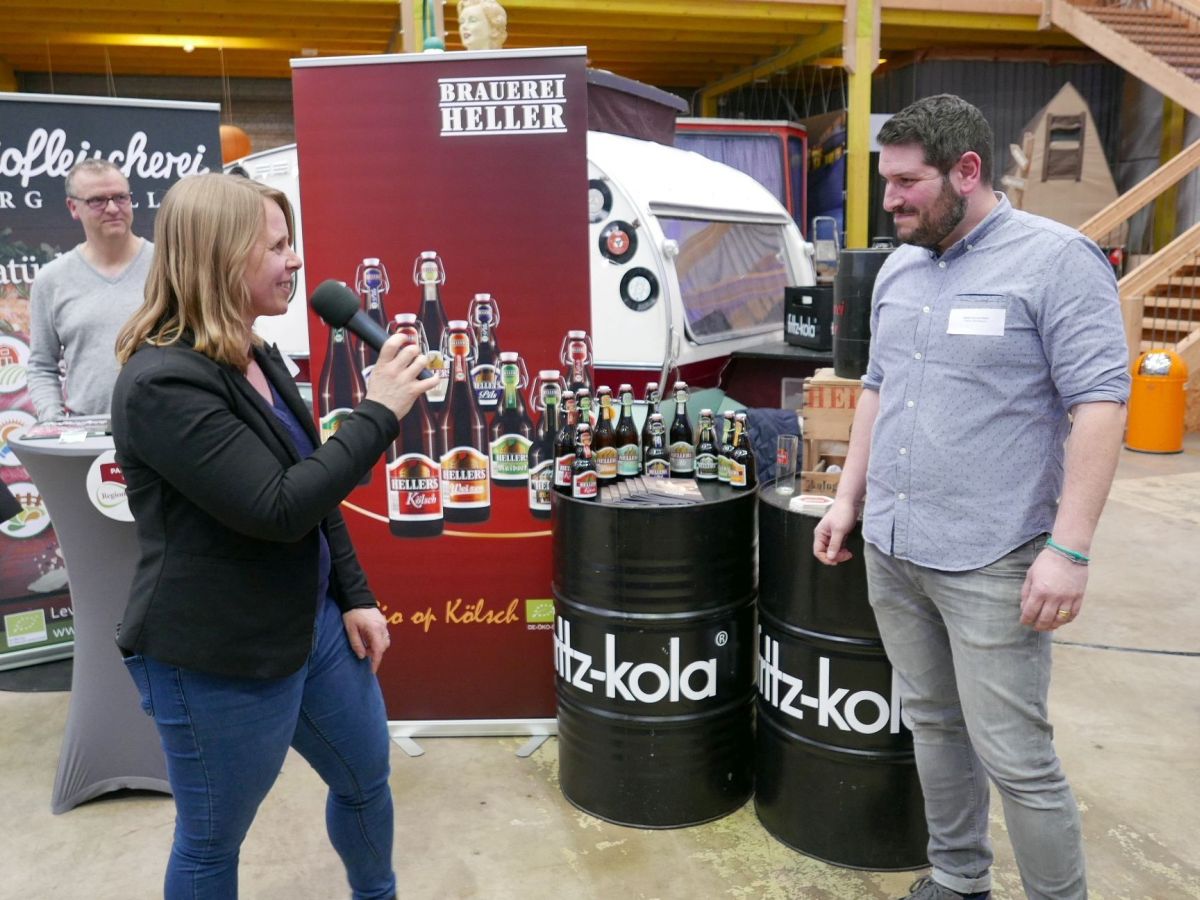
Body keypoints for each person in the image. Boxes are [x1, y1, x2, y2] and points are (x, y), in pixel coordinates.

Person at [812, 94, 1129, 900]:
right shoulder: (900, 267)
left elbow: (1100, 403)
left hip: (994, 557)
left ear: (967, 171)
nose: (890, 200)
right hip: (894, 546)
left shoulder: (1056, 262)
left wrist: (1069, 549)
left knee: (1016, 757)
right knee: (933, 723)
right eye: (886, 180)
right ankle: (958, 877)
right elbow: (877, 388)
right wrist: (848, 499)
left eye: (907, 183)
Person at [110, 173, 437, 900]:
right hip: (218, 655)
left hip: (312, 624)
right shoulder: (162, 384)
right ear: (221, 257)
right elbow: (279, 506)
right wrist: (379, 412)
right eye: (278, 246)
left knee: (366, 777)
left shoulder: (255, 352)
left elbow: (313, 487)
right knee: (211, 843)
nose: (296, 261)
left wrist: (354, 595)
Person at [27, 159, 152, 420]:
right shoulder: (52, 279)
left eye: (121, 197)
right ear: (73, 207)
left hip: (166, 425)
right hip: (88, 430)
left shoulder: (169, 266)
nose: (112, 208)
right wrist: (53, 421)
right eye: (97, 201)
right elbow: (41, 366)